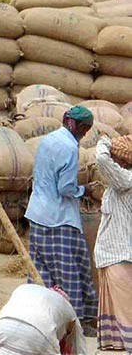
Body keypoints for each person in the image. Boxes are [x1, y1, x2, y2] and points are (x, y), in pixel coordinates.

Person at [24, 105, 98, 333]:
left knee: (42, 269)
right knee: (71, 272)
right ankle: (76, 321)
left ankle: (40, 316)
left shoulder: (48, 140)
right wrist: (85, 190)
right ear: (74, 124)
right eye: (84, 128)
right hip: (59, 218)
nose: (84, 133)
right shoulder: (69, 148)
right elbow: (66, 188)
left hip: (37, 213)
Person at [93, 134, 132, 352]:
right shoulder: (122, 181)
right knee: (116, 304)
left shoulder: (125, 181)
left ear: (123, 161)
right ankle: (116, 343)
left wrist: (104, 142)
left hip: (120, 252)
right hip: (111, 252)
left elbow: (101, 161)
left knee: (125, 305)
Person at [0, 284, 88, 354]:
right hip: (40, 334)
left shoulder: (24, 288)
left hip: (3, 325)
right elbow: (79, 346)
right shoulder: (68, 309)